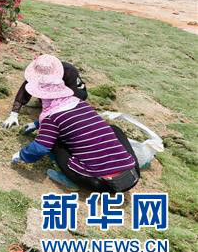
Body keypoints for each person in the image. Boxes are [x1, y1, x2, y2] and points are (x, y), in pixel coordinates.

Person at [11, 55, 139, 193]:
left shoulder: (51, 117)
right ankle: (118, 160)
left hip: (101, 184)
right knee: (113, 129)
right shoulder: (80, 103)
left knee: (55, 142)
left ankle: (71, 181)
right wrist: (37, 124)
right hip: (133, 175)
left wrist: (20, 155)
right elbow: (69, 121)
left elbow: (41, 148)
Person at [2, 58, 86, 128]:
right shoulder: (39, 70)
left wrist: (39, 123)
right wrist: (14, 114)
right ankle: (45, 103)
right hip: (55, 92)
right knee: (40, 86)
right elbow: (25, 88)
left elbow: (70, 98)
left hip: (75, 93)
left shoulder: (69, 71)